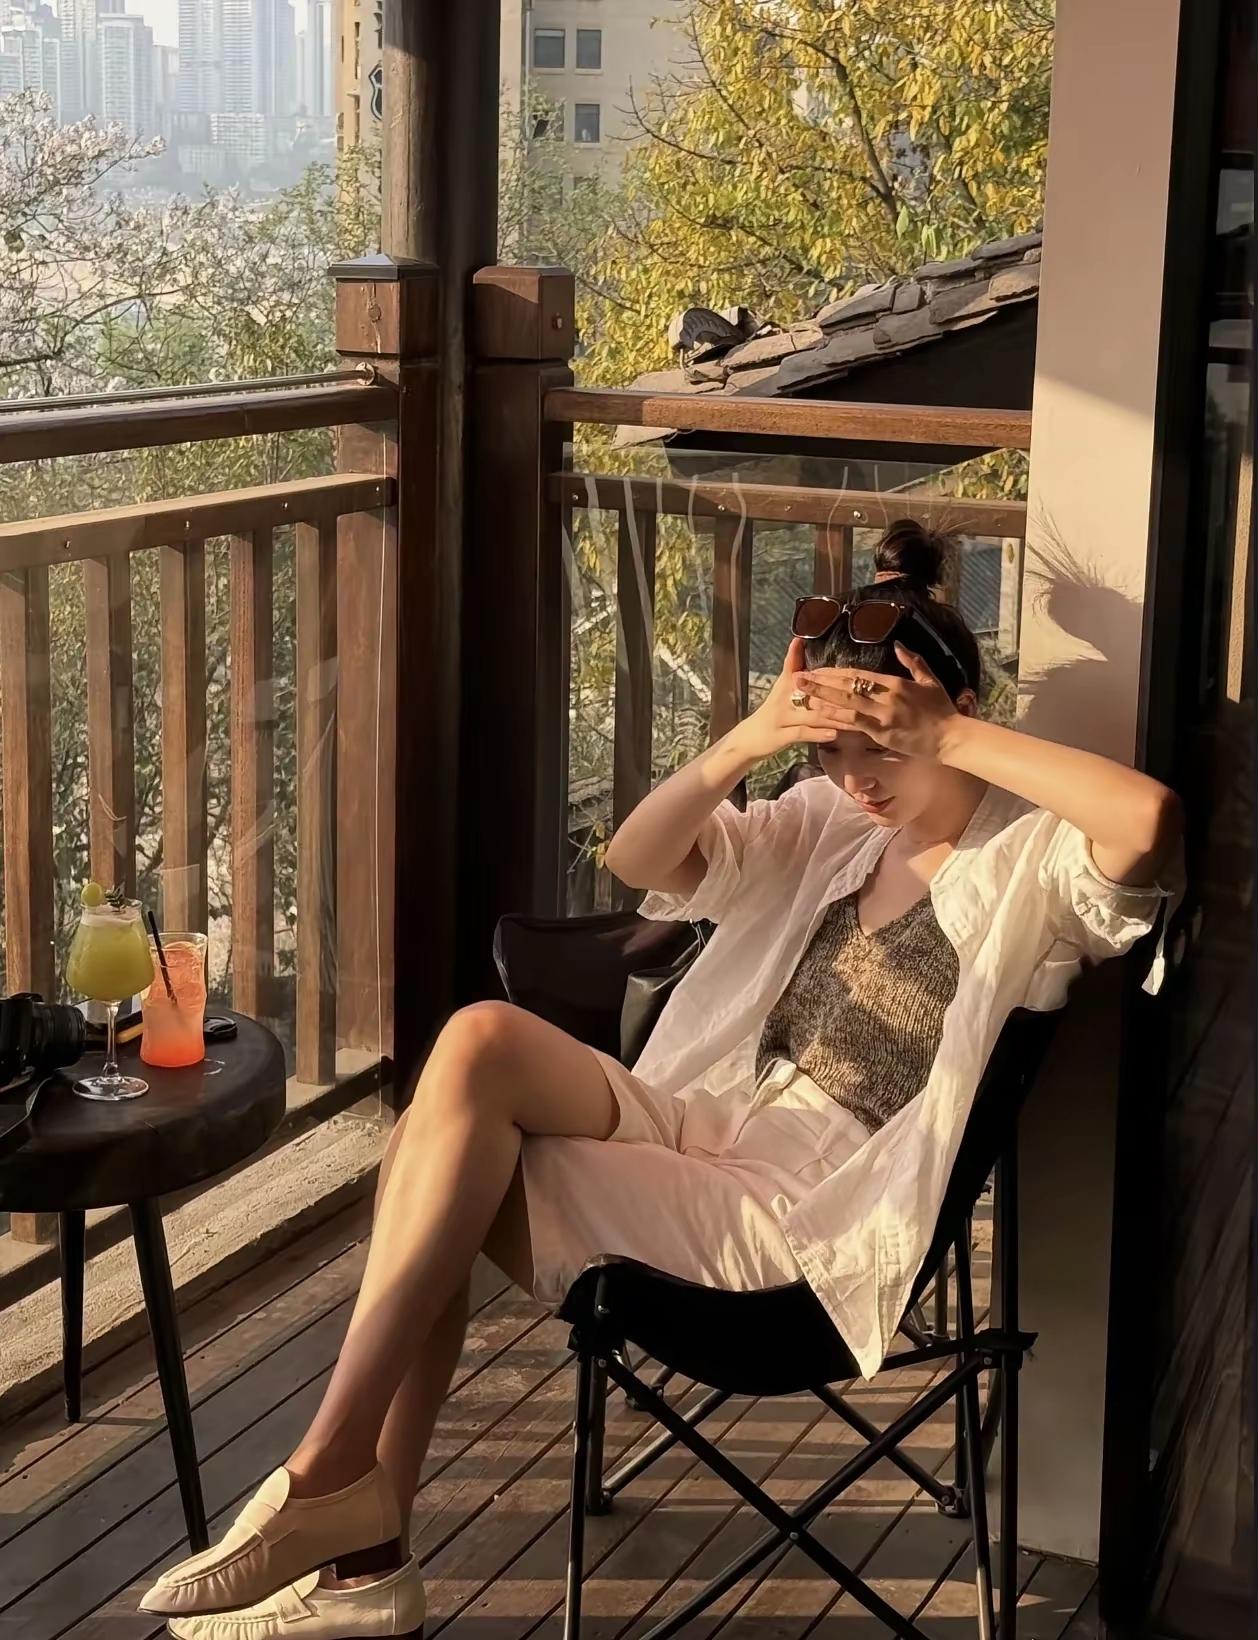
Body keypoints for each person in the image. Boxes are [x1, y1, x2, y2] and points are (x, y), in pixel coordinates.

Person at [143, 522, 1182, 1640]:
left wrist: (950, 735)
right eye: (834, 752)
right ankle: (350, 1510)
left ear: (954, 712)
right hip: (707, 1116)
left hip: (800, 1210)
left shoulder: (1035, 862)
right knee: (480, 1044)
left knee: (433, 1165)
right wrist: (755, 737)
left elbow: (1151, 822)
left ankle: (349, 1516)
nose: (857, 778)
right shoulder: (830, 824)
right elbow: (639, 858)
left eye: (882, 748)